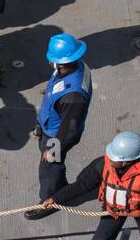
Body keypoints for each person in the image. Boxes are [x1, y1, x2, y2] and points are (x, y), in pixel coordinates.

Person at [25, 33, 92, 220]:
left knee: (49, 168)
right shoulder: (77, 67)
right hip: (51, 128)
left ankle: (50, 200)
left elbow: (69, 128)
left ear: (61, 63)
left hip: (57, 137)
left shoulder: (73, 96)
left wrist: (54, 150)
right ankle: (62, 188)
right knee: (54, 167)